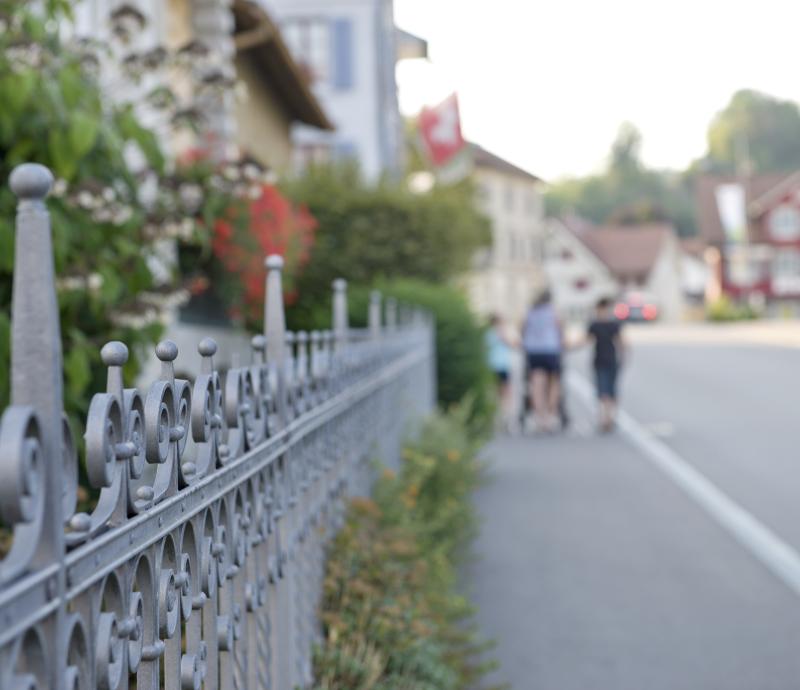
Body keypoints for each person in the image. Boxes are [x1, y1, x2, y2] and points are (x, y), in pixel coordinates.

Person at [522, 290, 563, 432]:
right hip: (550, 349)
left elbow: (523, 328)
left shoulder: (530, 311)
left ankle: (539, 417)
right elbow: (560, 328)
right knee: (553, 384)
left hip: (533, 350)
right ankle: (550, 416)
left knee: (536, 386)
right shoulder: (552, 311)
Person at [587, 297, 628, 432]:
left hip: (609, 360)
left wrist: (623, 356)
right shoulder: (596, 325)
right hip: (601, 361)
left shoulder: (612, 325)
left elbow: (621, 343)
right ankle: (606, 417)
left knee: (609, 390)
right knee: (604, 390)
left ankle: (608, 417)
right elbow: (587, 340)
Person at [485, 314, 514, 432]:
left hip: (490, 365)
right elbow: (510, 343)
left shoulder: (486, 334)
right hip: (502, 365)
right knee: (505, 393)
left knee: (493, 391)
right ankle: (504, 416)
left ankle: (494, 416)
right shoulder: (501, 332)